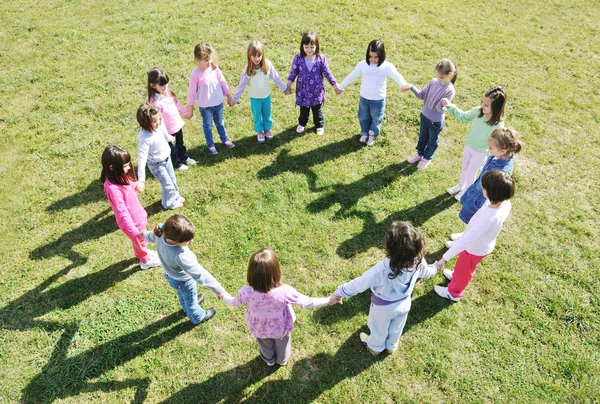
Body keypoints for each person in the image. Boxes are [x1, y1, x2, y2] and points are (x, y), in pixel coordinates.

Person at [219, 248, 340, 366]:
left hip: (259, 327)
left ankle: (269, 360)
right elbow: (307, 302)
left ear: (250, 273)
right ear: (276, 272)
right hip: (280, 327)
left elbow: (233, 302)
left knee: (265, 344)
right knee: (283, 344)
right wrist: (329, 300)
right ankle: (282, 360)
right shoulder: (284, 292)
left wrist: (223, 296)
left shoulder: (245, 292)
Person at [333, 221, 437, 356]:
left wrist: (340, 291)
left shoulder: (381, 269)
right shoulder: (418, 261)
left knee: (378, 329)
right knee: (397, 327)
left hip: (382, 308)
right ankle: (391, 346)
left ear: (390, 248)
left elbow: (360, 283)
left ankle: (375, 347)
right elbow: (427, 272)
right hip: (404, 303)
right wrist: (435, 267)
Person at [434, 170, 515, 302]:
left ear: (490, 193)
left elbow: (465, 241)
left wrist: (444, 258)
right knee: (462, 267)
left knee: (464, 271)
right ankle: (456, 276)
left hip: (474, 249)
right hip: (481, 245)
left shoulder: (488, 218)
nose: (482, 189)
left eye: (483, 188)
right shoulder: (505, 203)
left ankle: (453, 293)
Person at [142, 215, 226, 324]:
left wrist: (140, 234)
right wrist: (219, 290)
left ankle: (186, 307)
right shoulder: (181, 256)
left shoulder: (160, 234)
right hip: (184, 281)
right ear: (173, 241)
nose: (191, 242)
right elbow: (200, 274)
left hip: (171, 277)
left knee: (183, 295)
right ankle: (198, 316)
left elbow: (148, 235)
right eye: (187, 241)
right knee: (190, 301)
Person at [101, 144, 161, 270]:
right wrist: (134, 231)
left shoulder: (117, 177)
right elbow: (122, 212)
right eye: (125, 166)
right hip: (132, 224)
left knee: (141, 241)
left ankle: (144, 251)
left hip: (138, 218)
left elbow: (126, 182)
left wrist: (135, 185)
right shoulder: (112, 189)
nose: (129, 168)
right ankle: (144, 260)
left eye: (128, 164)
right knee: (138, 243)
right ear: (112, 167)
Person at [336, 39, 407, 146]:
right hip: (364, 98)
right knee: (363, 116)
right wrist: (341, 86)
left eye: (376, 57)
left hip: (378, 99)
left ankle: (372, 134)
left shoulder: (387, 66)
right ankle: (364, 133)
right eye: (370, 56)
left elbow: (396, 75)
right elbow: (352, 75)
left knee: (376, 118)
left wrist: (403, 84)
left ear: (382, 55)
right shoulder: (362, 65)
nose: (372, 59)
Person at [442, 86, 507, 200]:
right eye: (482, 102)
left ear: (496, 107)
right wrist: (450, 106)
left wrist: (490, 156)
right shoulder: (478, 111)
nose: (482, 106)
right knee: (465, 168)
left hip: (481, 152)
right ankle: (461, 185)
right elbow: (463, 117)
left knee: (472, 172)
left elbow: (496, 143)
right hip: (469, 146)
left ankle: (466, 190)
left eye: (486, 105)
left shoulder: (498, 125)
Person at [458, 127, 521, 224]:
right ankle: (464, 234)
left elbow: (495, 192)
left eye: (490, 147)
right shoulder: (501, 155)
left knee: (473, 221)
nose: (488, 148)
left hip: (480, 199)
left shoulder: (501, 172)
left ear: (503, 151)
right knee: (472, 221)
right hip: (477, 189)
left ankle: (465, 236)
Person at [404, 59, 457, 169]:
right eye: (437, 75)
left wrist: (443, 104)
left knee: (432, 141)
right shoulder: (433, 82)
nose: (438, 79)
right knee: (422, 137)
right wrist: (412, 87)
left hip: (435, 122)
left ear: (450, 76)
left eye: (441, 77)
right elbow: (421, 95)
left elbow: (439, 109)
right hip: (424, 116)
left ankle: (427, 158)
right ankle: (419, 154)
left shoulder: (450, 90)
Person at [185, 42, 236, 155]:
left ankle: (225, 139)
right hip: (206, 107)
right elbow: (191, 93)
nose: (209, 62)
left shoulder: (215, 69)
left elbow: (223, 83)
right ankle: (210, 144)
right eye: (205, 60)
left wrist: (229, 97)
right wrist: (190, 108)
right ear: (198, 60)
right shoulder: (195, 75)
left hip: (218, 104)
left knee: (220, 123)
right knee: (208, 125)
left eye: (209, 59)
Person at [232, 41, 288, 143]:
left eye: (259, 55)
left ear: (262, 55)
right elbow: (241, 86)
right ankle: (260, 131)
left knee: (267, 114)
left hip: (266, 96)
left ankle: (267, 129)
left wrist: (284, 88)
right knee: (257, 115)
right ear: (249, 56)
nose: (257, 59)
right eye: (254, 56)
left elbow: (276, 78)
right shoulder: (247, 70)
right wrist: (234, 99)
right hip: (255, 98)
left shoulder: (267, 65)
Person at [286, 31, 339, 135]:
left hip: (316, 91)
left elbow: (327, 73)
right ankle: (302, 123)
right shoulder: (298, 58)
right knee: (304, 110)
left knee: (317, 110)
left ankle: (319, 125)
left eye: (312, 47)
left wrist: (335, 85)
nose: (309, 50)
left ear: (316, 46)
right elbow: (293, 73)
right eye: (306, 47)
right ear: (302, 46)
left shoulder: (321, 59)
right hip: (303, 91)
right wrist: (287, 86)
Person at [147, 67, 196, 171]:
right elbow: (158, 120)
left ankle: (184, 157)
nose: (165, 87)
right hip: (167, 130)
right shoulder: (155, 102)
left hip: (177, 125)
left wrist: (185, 113)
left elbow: (176, 103)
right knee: (172, 148)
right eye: (162, 85)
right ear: (152, 85)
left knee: (180, 144)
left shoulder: (168, 92)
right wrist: (165, 133)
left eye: (166, 83)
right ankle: (176, 162)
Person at [136, 103, 184, 210]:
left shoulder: (159, 123)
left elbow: (163, 130)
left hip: (167, 159)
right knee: (168, 185)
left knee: (172, 180)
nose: (158, 123)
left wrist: (169, 138)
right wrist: (141, 179)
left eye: (159, 119)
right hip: (157, 165)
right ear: (145, 123)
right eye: (154, 122)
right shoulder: (145, 138)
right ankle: (168, 203)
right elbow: (142, 158)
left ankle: (175, 197)